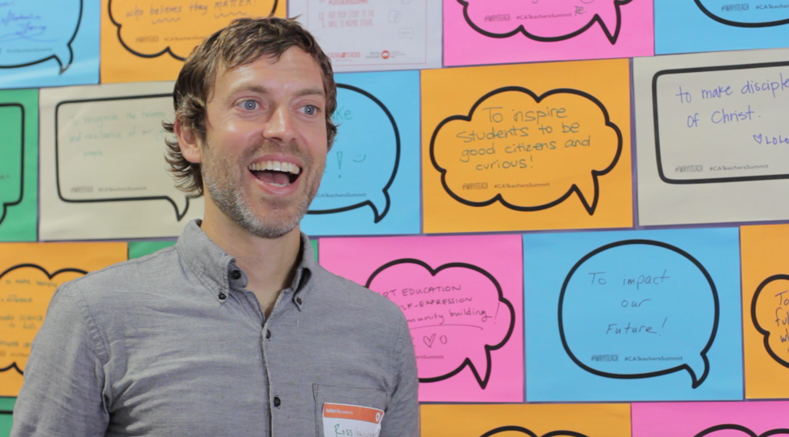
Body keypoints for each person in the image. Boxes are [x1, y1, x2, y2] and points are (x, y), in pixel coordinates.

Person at [12, 17, 419, 437]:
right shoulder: (94, 315)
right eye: (249, 104)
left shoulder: (381, 329)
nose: (284, 129)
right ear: (191, 135)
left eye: (308, 109)